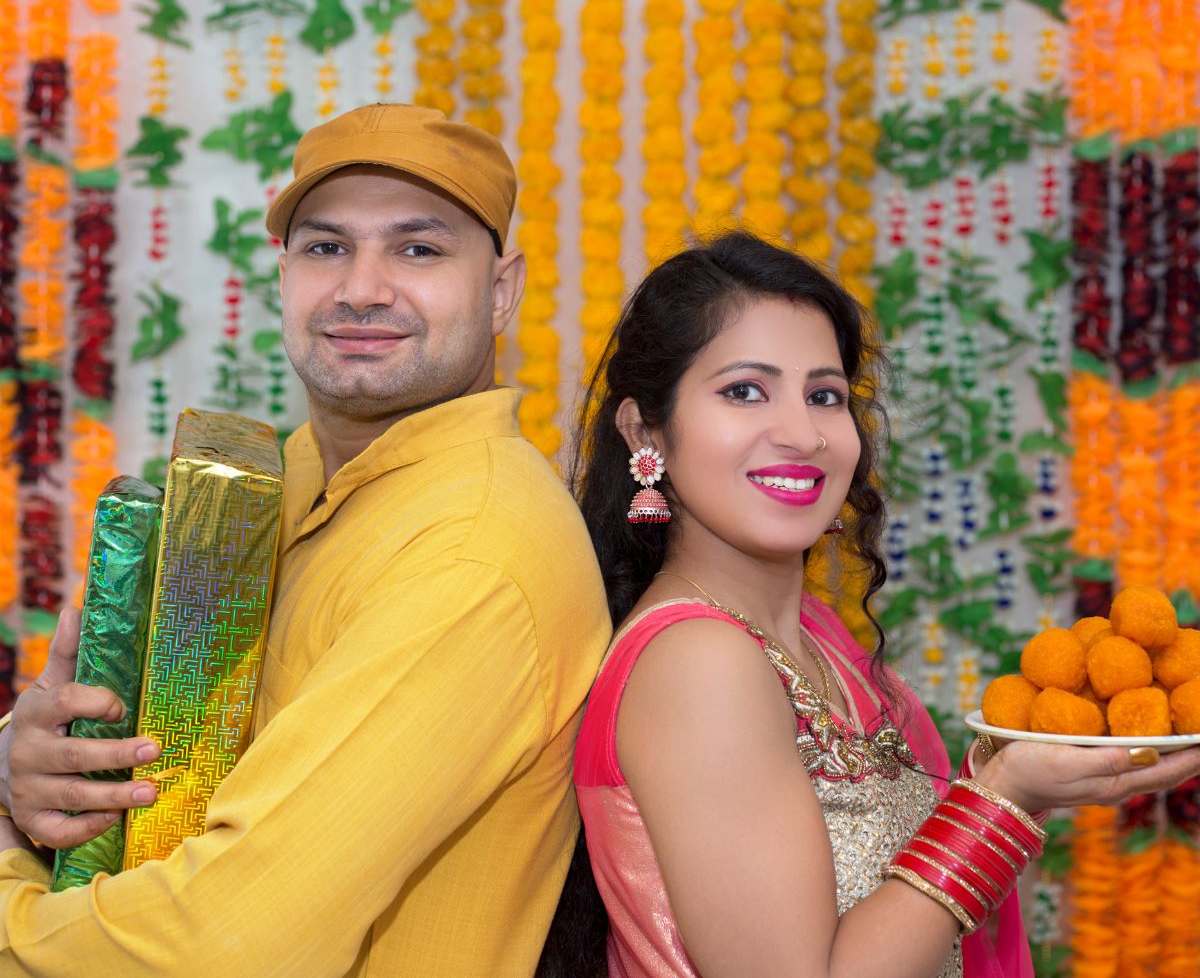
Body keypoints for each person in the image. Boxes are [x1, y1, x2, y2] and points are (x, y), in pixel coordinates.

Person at [0, 104, 610, 976]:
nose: (362, 288)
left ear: (503, 289)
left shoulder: (474, 550)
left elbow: (225, 945)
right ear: (281, 276)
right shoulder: (264, 484)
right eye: (327, 247)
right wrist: (29, 772)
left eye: (419, 249)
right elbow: (122, 752)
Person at [550, 230, 1200, 978]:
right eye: (744, 391)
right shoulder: (700, 664)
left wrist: (1019, 773)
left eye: (824, 396)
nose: (801, 433)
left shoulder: (818, 640)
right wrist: (1004, 796)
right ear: (646, 431)